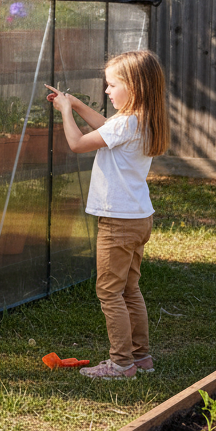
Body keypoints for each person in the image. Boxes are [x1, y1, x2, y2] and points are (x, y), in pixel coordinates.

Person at [47, 49, 169, 380]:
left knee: (109, 291)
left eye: (112, 85)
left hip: (118, 221)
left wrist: (64, 113)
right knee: (129, 288)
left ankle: (121, 364)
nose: (106, 91)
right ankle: (141, 358)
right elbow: (104, 127)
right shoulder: (140, 120)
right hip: (138, 218)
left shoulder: (128, 122)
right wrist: (74, 102)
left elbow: (78, 143)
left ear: (135, 86)